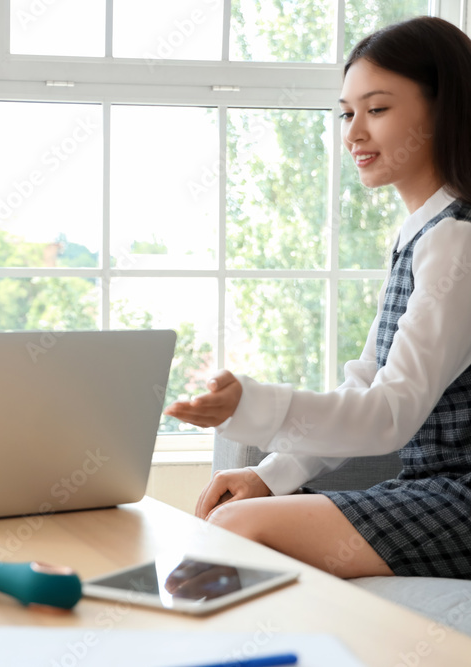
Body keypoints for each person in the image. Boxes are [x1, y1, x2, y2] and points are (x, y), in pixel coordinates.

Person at [165, 16, 471, 581]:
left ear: (443, 110)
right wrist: (272, 473)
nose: (353, 133)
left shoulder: (457, 239)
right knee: (241, 516)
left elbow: (389, 417)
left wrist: (251, 408)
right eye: (346, 113)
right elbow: (367, 381)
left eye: (376, 110)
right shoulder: (423, 233)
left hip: (459, 500)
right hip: (434, 489)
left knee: (239, 529)